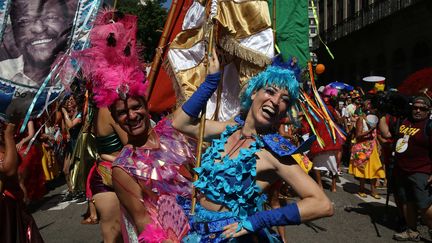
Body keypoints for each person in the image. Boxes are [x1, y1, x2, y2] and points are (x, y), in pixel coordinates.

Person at [172, 50, 333, 242]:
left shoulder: (273, 152)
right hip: (196, 228)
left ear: (284, 112)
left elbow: (322, 204)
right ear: (254, 92)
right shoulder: (230, 128)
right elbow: (180, 123)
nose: (275, 102)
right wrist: (211, 82)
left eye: (285, 100)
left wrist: (257, 221)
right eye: (271, 91)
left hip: (230, 237)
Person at [72, 11, 195, 242]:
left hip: (190, 220)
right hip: (121, 179)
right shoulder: (122, 161)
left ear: (146, 105)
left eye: (136, 107)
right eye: (122, 113)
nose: (131, 115)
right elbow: (142, 220)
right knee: (113, 231)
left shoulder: (167, 132)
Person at [0, 0, 76, 87]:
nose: (39, 29)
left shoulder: (83, 72)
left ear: (68, 23)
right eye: (25, 21)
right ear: (14, 32)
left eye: (51, 18)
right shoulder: (3, 72)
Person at [392, 95, 432, 241]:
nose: (417, 110)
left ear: (428, 111)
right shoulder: (404, 121)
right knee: (407, 202)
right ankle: (411, 230)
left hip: (420, 171)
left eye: (422, 109)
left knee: (425, 205)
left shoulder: (429, 125)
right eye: (415, 107)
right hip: (401, 170)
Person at [0, 121, 44, 242]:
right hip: (6, 209)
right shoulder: (6, 136)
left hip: (14, 204)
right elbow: (9, 169)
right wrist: (9, 135)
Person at [349, 98, 385, 199]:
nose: (372, 109)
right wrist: (370, 130)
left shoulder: (374, 119)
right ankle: (361, 189)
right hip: (363, 147)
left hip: (372, 147)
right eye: (369, 106)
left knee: (375, 168)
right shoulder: (361, 119)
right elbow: (358, 135)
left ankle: (374, 191)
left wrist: (378, 145)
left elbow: (375, 134)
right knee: (362, 169)